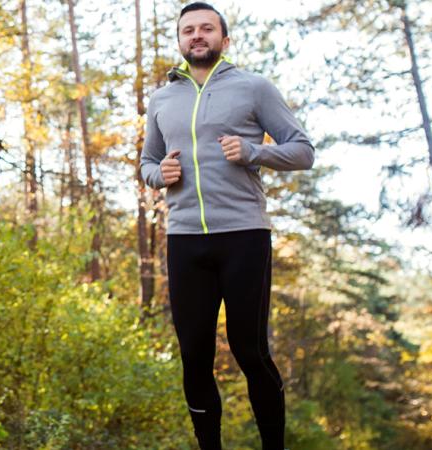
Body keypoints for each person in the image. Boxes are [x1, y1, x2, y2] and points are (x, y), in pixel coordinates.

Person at [139, 3, 314, 449]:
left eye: (206, 29)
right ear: (180, 41)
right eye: (188, 30)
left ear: (224, 38)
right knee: (194, 356)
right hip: (184, 240)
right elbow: (147, 163)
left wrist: (254, 152)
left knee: (250, 350)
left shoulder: (254, 88)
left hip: (244, 237)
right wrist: (162, 175)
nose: (197, 36)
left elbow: (302, 151)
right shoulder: (162, 98)